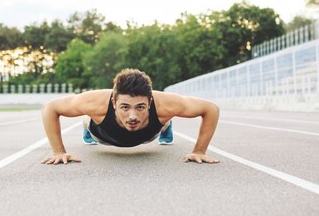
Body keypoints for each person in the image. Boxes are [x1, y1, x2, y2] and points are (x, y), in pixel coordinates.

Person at [41, 68, 220, 165]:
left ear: (150, 102)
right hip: (103, 135)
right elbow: (51, 108)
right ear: (113, 103)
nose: (132, 116)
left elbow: (210, 109)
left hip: (148, 134)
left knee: (163, 118)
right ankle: (87, 128)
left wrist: (199, 151)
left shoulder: (165, 104)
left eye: (141, 107)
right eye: (125, 107)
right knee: (89, 119)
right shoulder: (96, 102)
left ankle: (166, 126)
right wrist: (59, 152)